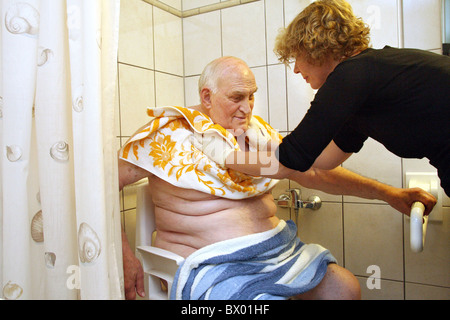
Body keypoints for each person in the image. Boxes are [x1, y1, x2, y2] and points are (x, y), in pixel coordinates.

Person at [118, 56, 436, 300]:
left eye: (252, 96)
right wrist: (125, 255)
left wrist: (389, 194)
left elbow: (312, 171)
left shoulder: (255, 131)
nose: (247, 108)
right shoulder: (165, 135)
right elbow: (104, 187)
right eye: (237, 97)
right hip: (208, 262)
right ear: (206, 97)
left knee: (345, 288)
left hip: (276, 251)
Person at [206, 0, 450, 197]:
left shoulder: (350, 76)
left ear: (314, 48)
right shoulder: (364, 87)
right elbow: (324, 161)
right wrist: (262, 142)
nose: (296, 70)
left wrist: (222, 155)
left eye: (296, 57)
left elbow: (285, 165)